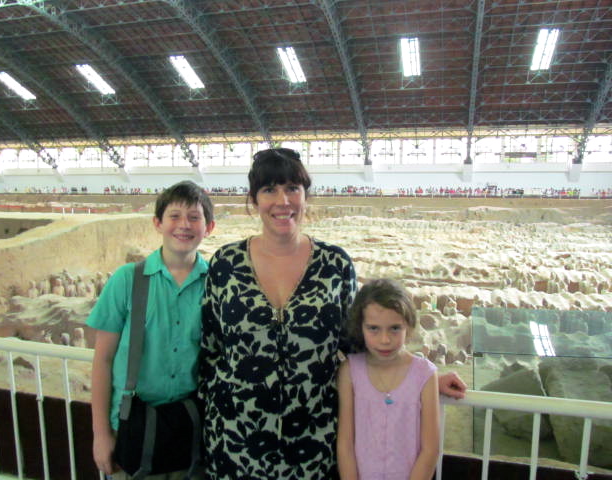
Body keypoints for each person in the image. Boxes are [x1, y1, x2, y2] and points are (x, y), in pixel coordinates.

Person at [200, 148, 466, 480]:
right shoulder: (225, 264)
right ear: (254, 199)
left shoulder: (334, 265)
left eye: (293, 188)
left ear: (305, 196)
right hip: (235, 441)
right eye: (269, 190)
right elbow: (210, 349)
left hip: (313, 443)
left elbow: (359, 345)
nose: (283, 201)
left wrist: (421, 378)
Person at [88, 180, 215, 479]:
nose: (184, 225)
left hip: (189, 430)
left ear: (208, 227)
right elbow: (103, 359)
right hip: (132, 429)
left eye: (194, 217)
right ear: (158, 223)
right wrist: (101, 434)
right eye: (174, 216)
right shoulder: (126, 280)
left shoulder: (216, 283)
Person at [337, 279, 439, 480]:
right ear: (360, 327)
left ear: (408, 326)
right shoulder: (350, 371)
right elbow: (345, 445)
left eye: (394, 328)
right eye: (373, 328)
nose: (385, 340)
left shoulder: (425, 374)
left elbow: (430, 450)